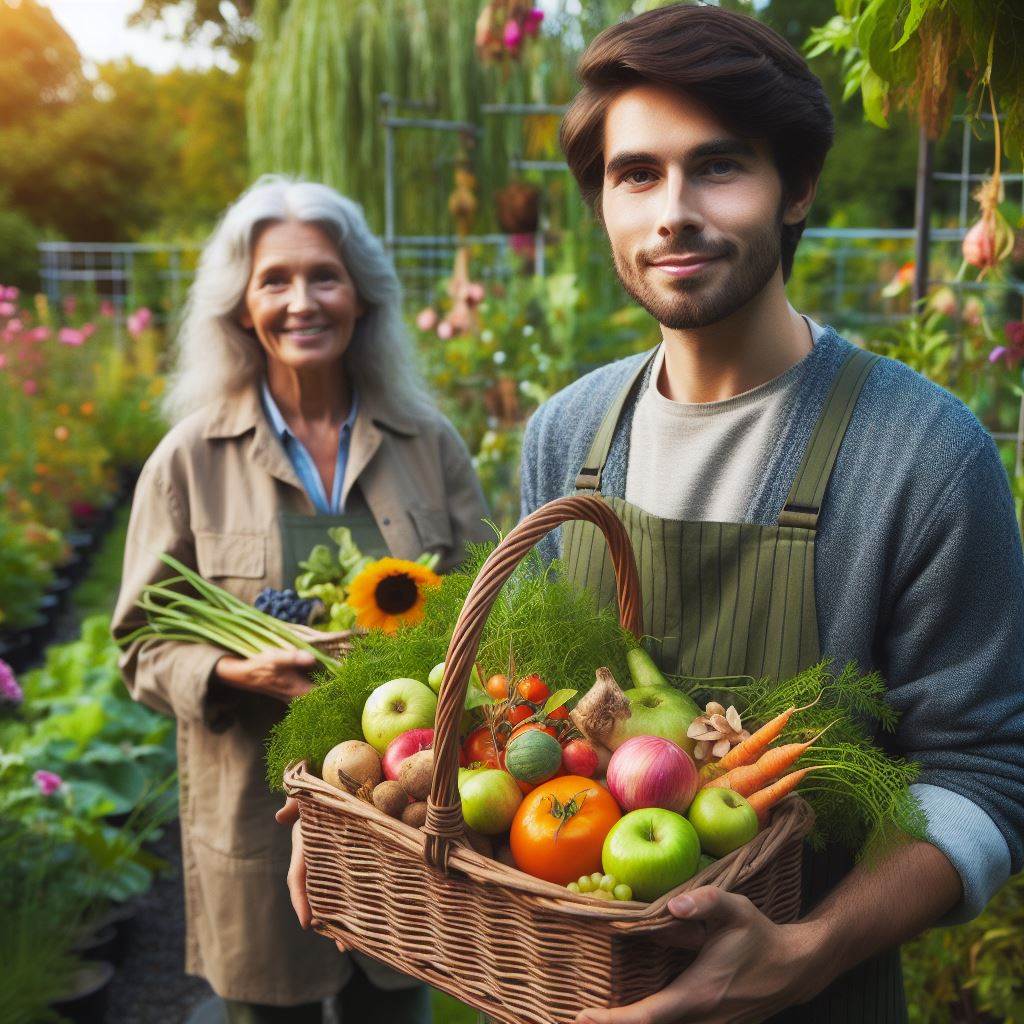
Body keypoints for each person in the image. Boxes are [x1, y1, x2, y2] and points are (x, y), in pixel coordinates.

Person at [517, 5, 1024, 1023]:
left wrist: (806, 951)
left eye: (717, 167)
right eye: (636, 175)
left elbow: (983, 771)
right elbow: (523, 718)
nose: (672, 213)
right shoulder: (566, 436)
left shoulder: (920, 453)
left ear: (794, 188)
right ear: (603, 204)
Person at [112, 176, 489, 1024]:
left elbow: (481, 606)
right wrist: (234, 672)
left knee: (393, 1009)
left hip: (401, 808)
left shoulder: (427, 445)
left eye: (324, 275)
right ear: (242, 309)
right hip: (256, 802)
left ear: (361, 296)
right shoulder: (189, 460)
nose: (302, 300)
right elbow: (139, 642)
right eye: (274, 280)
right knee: (267, 1010)